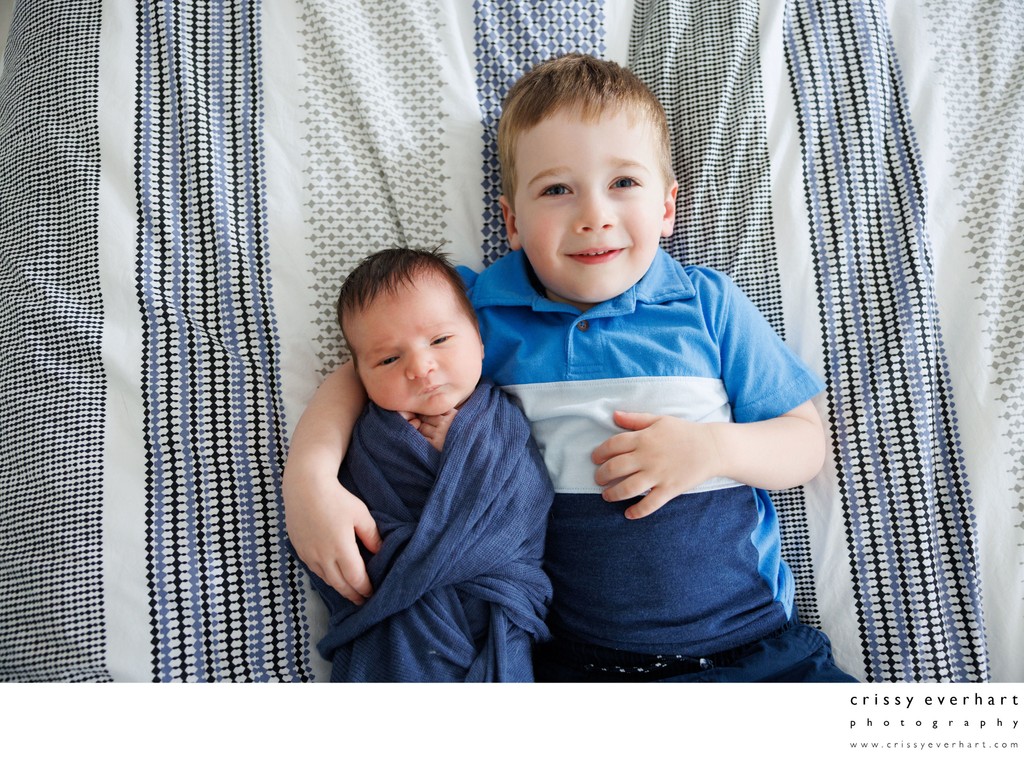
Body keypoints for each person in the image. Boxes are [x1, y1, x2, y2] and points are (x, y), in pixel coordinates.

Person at [284, 54, 856, 682]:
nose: (594, 215)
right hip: (579, 664)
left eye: (624, 184)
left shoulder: (704, 305)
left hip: (749, 646)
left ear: (667, 208)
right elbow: (365, 368)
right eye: (558, 189)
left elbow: (804, 442)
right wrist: (311, 481)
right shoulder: (480, 314)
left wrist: (710, 449)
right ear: (512, 222)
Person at [300, 247, 553, 682]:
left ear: (479, 338)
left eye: (439, 340)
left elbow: (528, 505)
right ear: (360, 374)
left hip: (493, 615)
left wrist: (460, 450)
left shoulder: (502, 419)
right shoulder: (367, 435)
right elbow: (351, 538)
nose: (420, 366)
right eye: (388, 359)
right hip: (399, 616)